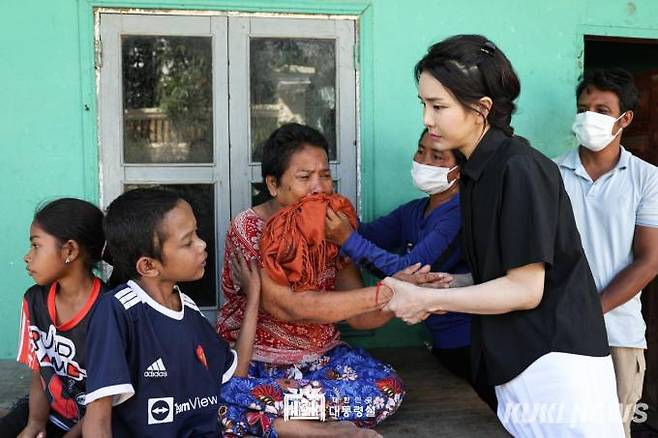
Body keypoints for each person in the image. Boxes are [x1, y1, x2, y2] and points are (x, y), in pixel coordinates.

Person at [381, 35, 624, 436]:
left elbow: (526, 290)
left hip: (556, 365)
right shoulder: (479, 171)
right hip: (516, 358)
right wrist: (451, 282)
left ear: (482, 109)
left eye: (438, 106)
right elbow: (506, 271)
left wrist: (430, 299)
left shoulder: (519, 169)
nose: (427, 118)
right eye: (424, 104)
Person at [217, 123, 409, 438]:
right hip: (256, 364)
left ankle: (282, 423)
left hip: (322, 363)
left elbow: (360, 317)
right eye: (305, 178)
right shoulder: (248, 229)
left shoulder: (334, 226)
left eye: (325, 176)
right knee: (223, 396)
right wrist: (388, 290)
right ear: (273, 184)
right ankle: (321, 430)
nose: (318, 188)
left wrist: (411, 294)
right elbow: (288, 307)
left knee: (387, 390)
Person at [325, 128, 496, 411]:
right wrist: (327, 208)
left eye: (437, 156)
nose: (423, 160)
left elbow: (410, 272)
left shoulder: (461, 213)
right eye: (420, 151)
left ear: (457, 170)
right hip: (442, 345)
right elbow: (366, 234)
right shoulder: (414, 211)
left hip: (474, 345)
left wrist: (345, 238)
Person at [82, 188, 259, 437]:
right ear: (148, 265)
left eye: (197, 233)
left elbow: (233, 373)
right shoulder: (117, 312)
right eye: (188, 242)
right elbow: (98, 420)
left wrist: (253, 300)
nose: (202, 244)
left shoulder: (187, 307)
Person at [555, 67, 658, 436]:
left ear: (624, 119)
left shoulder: (647, 178)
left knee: (613, 429)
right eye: (584, 108)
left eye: (602, 110)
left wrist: (589, 311)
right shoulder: (551, 174)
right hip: (555, 333)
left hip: (619, 333)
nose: (589, 118)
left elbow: (649, 261)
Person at [0, 198, 107, 438]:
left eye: (36, 246)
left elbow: (108, 402)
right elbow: (41, 371)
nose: (27, 257)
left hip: (99, 422)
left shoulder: (109, 310)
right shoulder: (34, 301)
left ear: (69, 250)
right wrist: (33, 425)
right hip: (48, 412)